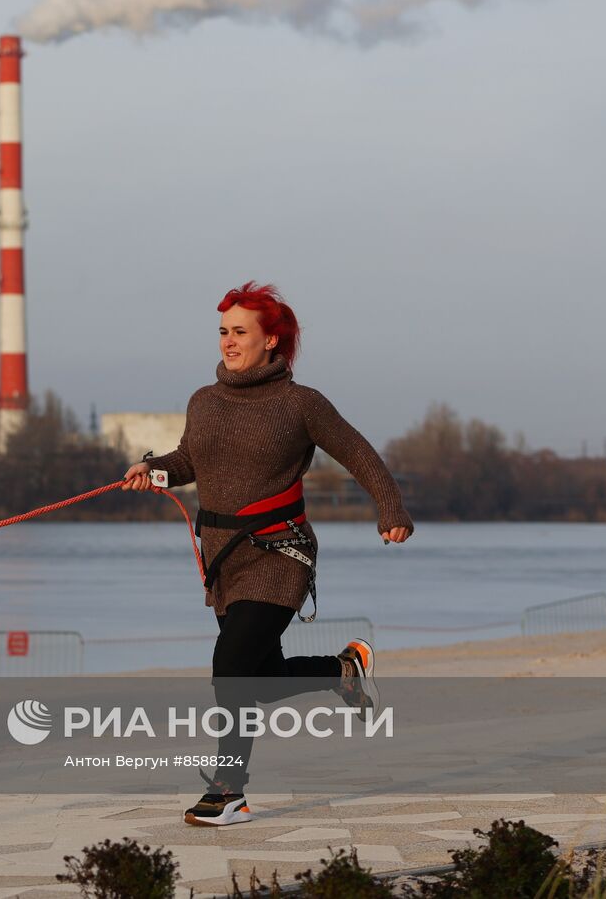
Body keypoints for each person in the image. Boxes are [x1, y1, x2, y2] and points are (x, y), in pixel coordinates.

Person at [123, 282, 413, 827]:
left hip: (281, 552)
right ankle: (341, 669)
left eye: (240, 332)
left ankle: (229, 790)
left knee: (230, 667)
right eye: (223, 332)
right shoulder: (204, 401)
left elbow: (358, 452)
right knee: (259, 673)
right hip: (224, 557)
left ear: (271, 339)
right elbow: (191, 460)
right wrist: (154, 468)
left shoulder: (300, 404)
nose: (228, 342)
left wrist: (391, 509)